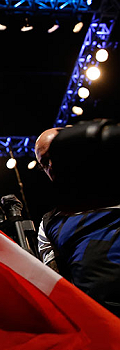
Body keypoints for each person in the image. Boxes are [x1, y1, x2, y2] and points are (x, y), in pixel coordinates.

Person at [35, 120, 120, 317]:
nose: (52, 165)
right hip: (107, 325)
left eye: (56, 154)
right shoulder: (49, 223)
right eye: (44, 163)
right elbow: (58, 285)